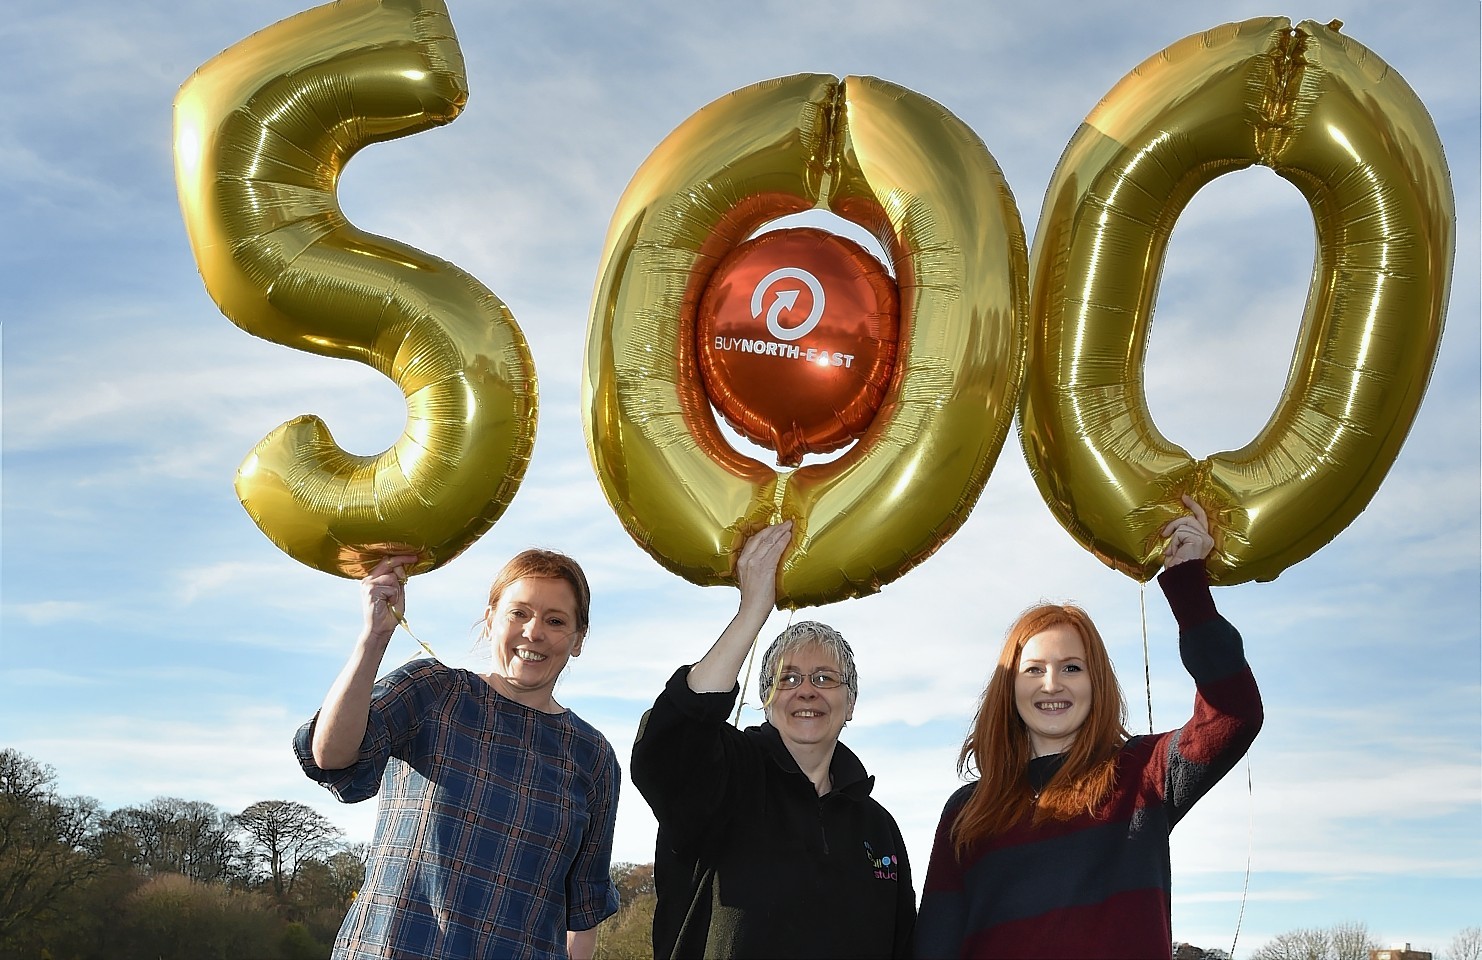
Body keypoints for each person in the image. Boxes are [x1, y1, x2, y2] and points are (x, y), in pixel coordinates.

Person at [914, 496, 1263, 959]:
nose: (1052, 684)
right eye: (1034, 669)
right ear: (1009, 687)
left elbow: (1233, 712)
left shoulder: (1145, 774)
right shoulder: (966, 811)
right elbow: (934, 946)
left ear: (1097, 682)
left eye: (1072, 668)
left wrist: (1188, 588)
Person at [293, 550, 620, 960]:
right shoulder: (433, 691)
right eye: (518, 613)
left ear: (577, 640)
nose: (534, 632)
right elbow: (332, 754)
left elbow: (583, 913)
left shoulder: (593, 757)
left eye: (555, 621)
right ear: (490, 621)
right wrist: (375, 636)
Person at [630, 520, 916, 958]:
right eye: (789, 679)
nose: (807, 690)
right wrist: (753, 611)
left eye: (825, 678)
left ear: (851, 704)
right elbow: (668, 746)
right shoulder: (726, 776)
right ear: (764, 699)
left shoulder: (879, 829)